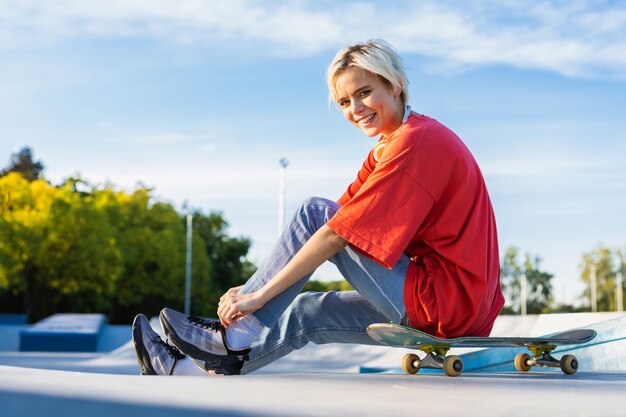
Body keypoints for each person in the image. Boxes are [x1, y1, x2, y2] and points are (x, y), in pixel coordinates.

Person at [132, 39, 504, 377]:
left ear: (396, 86)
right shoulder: (387, 148)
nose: (356, 109)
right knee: (304, 310)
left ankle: (234, 335)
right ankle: (186, 370)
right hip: (450, 307)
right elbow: (322, 230)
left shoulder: (416, 142)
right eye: (345, 102)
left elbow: (331, 231)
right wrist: (253, 286)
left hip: (445, 303)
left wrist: (256, 298)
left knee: (314, 211)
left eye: (364, 92)